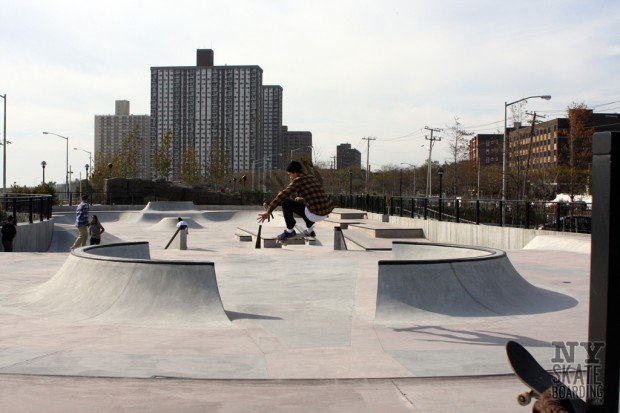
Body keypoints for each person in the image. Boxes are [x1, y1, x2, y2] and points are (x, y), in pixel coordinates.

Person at [258, 160, 333, 242]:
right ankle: (310, 231)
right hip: (325, 212)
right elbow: (315, 195)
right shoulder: (311, 177)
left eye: (290, 174)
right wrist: (303, 199)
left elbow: (282, 195)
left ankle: (289, 231)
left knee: (286, 202)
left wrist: (269, 210)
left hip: (314, 215)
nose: (290, 177)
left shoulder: (298, 180)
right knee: (302, 204)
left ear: (295, 173)